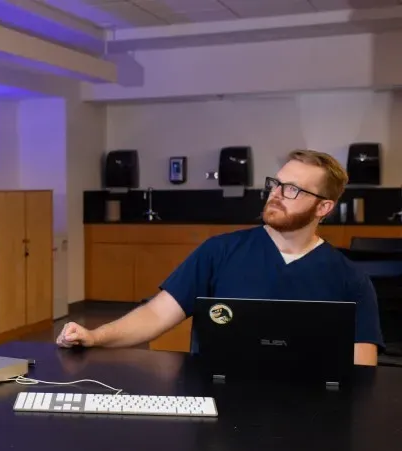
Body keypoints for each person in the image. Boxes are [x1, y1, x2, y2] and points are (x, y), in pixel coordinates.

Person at [57, 149, 383, 366]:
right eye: (276, 184)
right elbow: (155, 316)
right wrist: (94, 336)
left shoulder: (350, 279)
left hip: (309, 417)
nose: (276, 195)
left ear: (323, 207)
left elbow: (362, 366)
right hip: (216, 406)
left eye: (293, 190)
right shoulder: (220, 252)